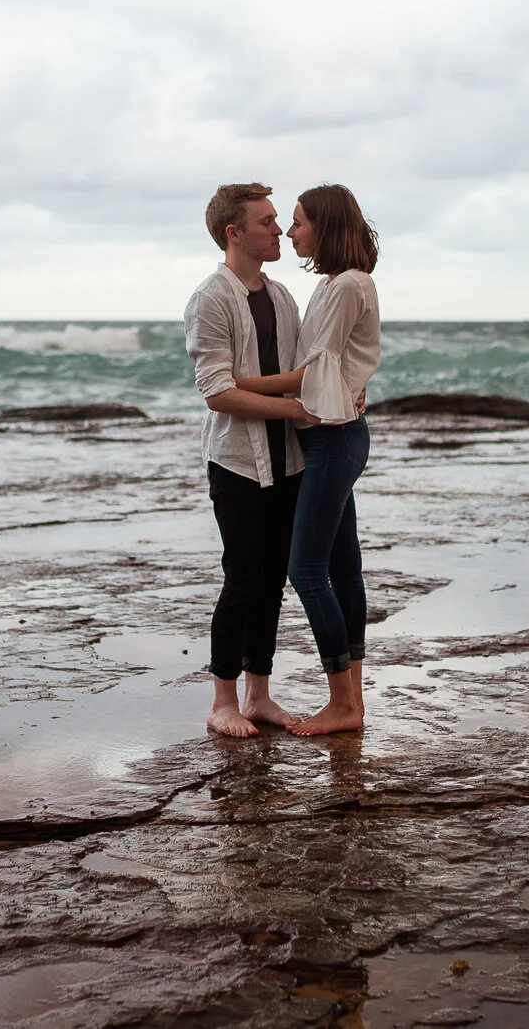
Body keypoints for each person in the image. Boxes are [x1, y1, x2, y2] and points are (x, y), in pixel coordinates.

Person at [230, 184, 380, 736]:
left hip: (334, 438)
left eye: (296, 222)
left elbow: (313, 373)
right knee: (341, 569)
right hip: (331, 435)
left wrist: (238, 384)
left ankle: (343, 701)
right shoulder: (331, 286)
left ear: (325, 226)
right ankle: (350, 702)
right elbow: (335, 366)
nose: (289, 232)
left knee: (307, 571)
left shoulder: (345, 287)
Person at [184, 183, 319, 738]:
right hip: (237, 462)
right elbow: (216, 392)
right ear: (233, 233)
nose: (279, 231)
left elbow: (300, 368)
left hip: (288, 460)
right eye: (265, 222)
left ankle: (258, 695)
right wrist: (293, 406)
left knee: (272, 582)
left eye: (278, 221)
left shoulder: (283, 295)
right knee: (242, 579)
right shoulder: (210, 297)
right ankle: (222, 701)